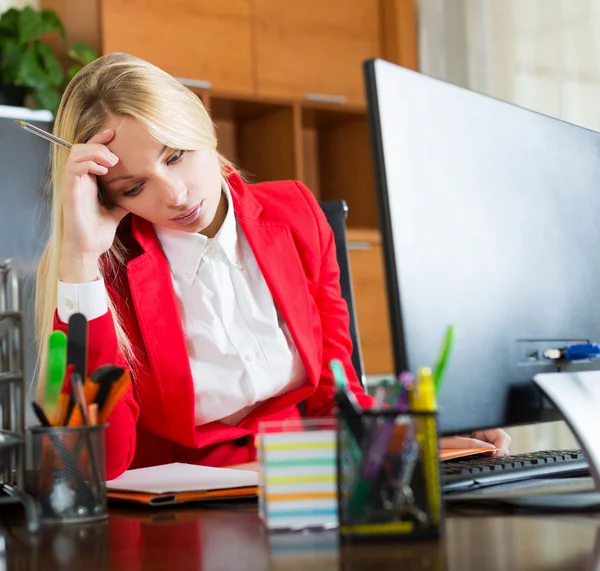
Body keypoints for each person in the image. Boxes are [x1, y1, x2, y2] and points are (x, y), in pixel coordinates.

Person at [34, 53, 510, 479]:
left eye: (176, 156)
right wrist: (80, 261)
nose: (174, 194)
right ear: (105, 195)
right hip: (176, 519)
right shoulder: (103, 271)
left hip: (305, 487)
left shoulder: (296, 213)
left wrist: (426, 441)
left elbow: (333, 396)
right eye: (133, 188)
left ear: (203, 124)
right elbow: (95, 463)